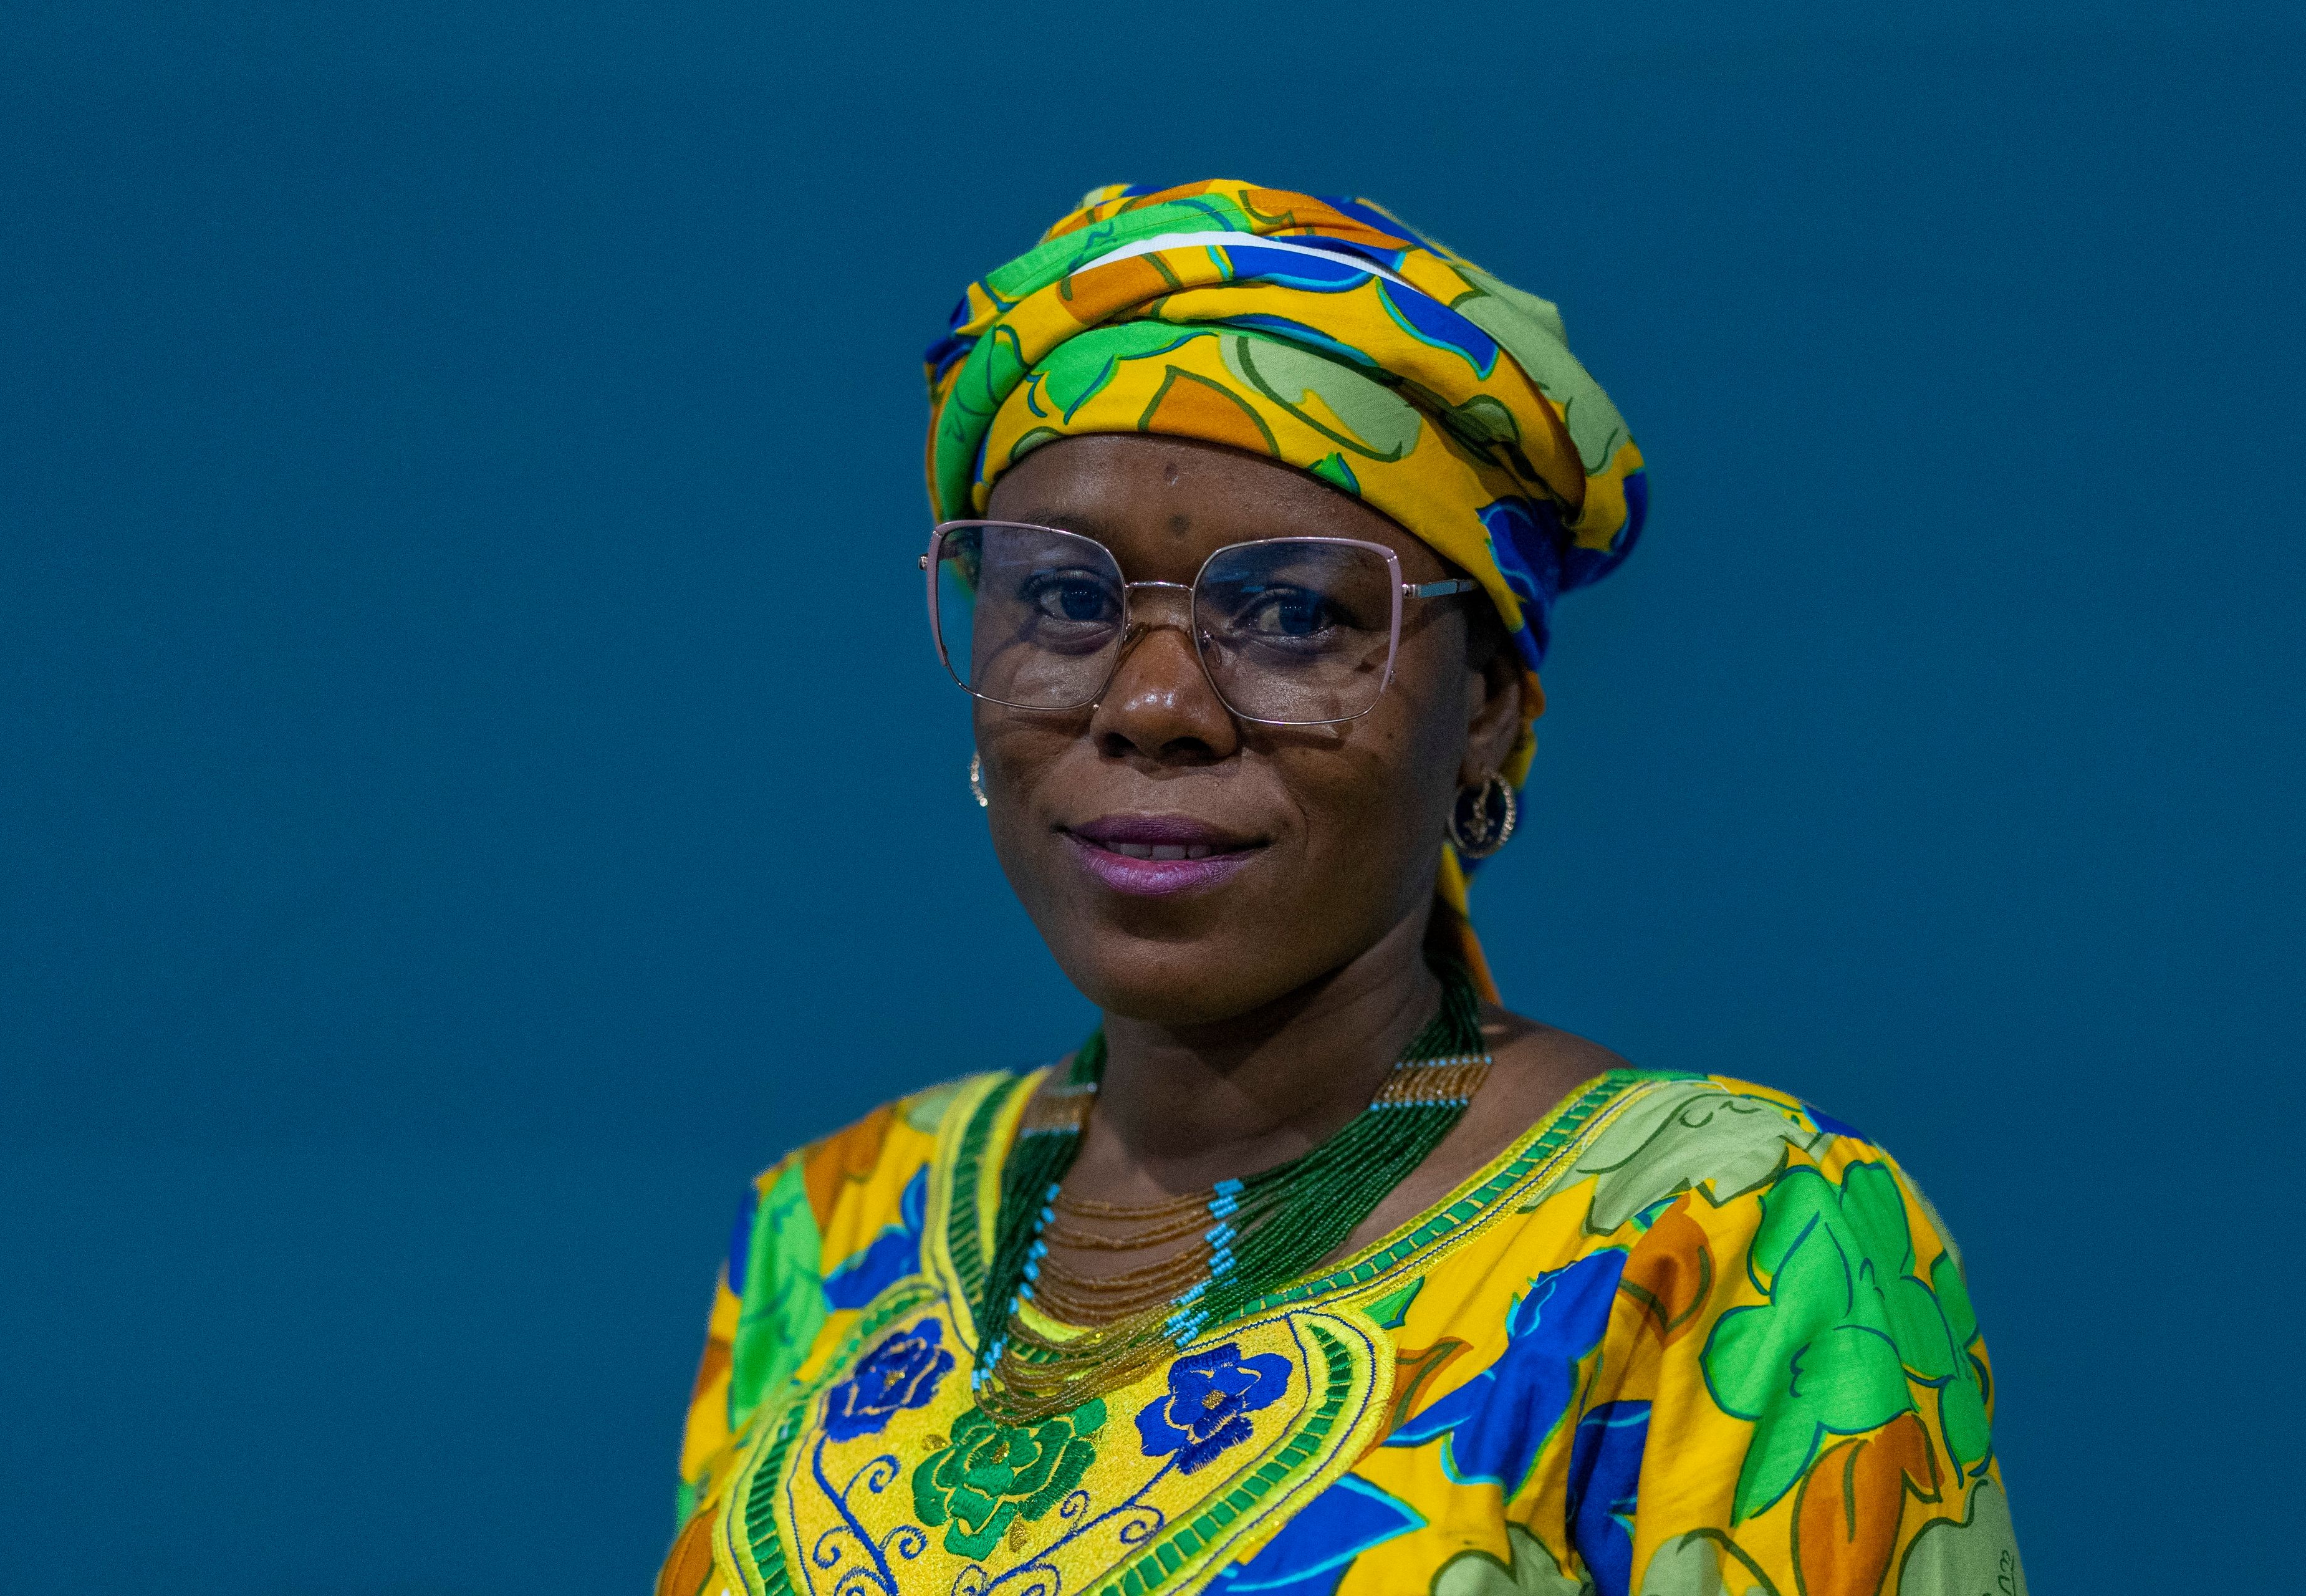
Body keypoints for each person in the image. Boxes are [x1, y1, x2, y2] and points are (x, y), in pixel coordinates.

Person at [656, 181, 2020, 1596]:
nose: (1156, 702)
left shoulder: (1717, 1238)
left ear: (1486, 703)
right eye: (1066, 600)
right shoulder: (833, 1219)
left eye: (1296, 614)